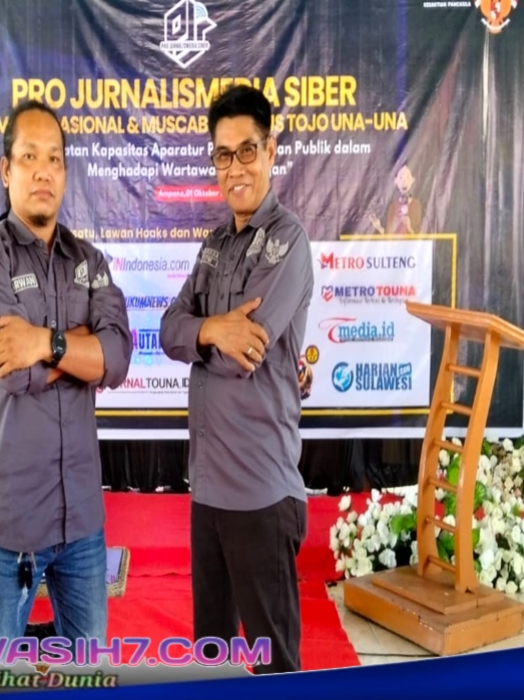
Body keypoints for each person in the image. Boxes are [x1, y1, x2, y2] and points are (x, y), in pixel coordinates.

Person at [0, 99, 132, 652]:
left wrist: (45, 342)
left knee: (88, 672)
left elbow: (117, 359)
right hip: (11, 523)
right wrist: (80, 348)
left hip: (80, 520)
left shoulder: (90, 262)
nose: (43, 171)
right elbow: (15, 373)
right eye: (29, 157)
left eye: (54, 159)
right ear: (5, 169)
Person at [161, 85, 314, 675]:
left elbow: (241, 355)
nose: (236, 167)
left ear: (270, 151)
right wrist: (210, 329)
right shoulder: (214, 246)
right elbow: (169, 331)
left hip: (261, 492)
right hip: (208, 491)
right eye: (223, 155)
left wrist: (206, 336)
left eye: (247, 150)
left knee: (275, 667)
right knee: (213, 661)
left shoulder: (288, 241)